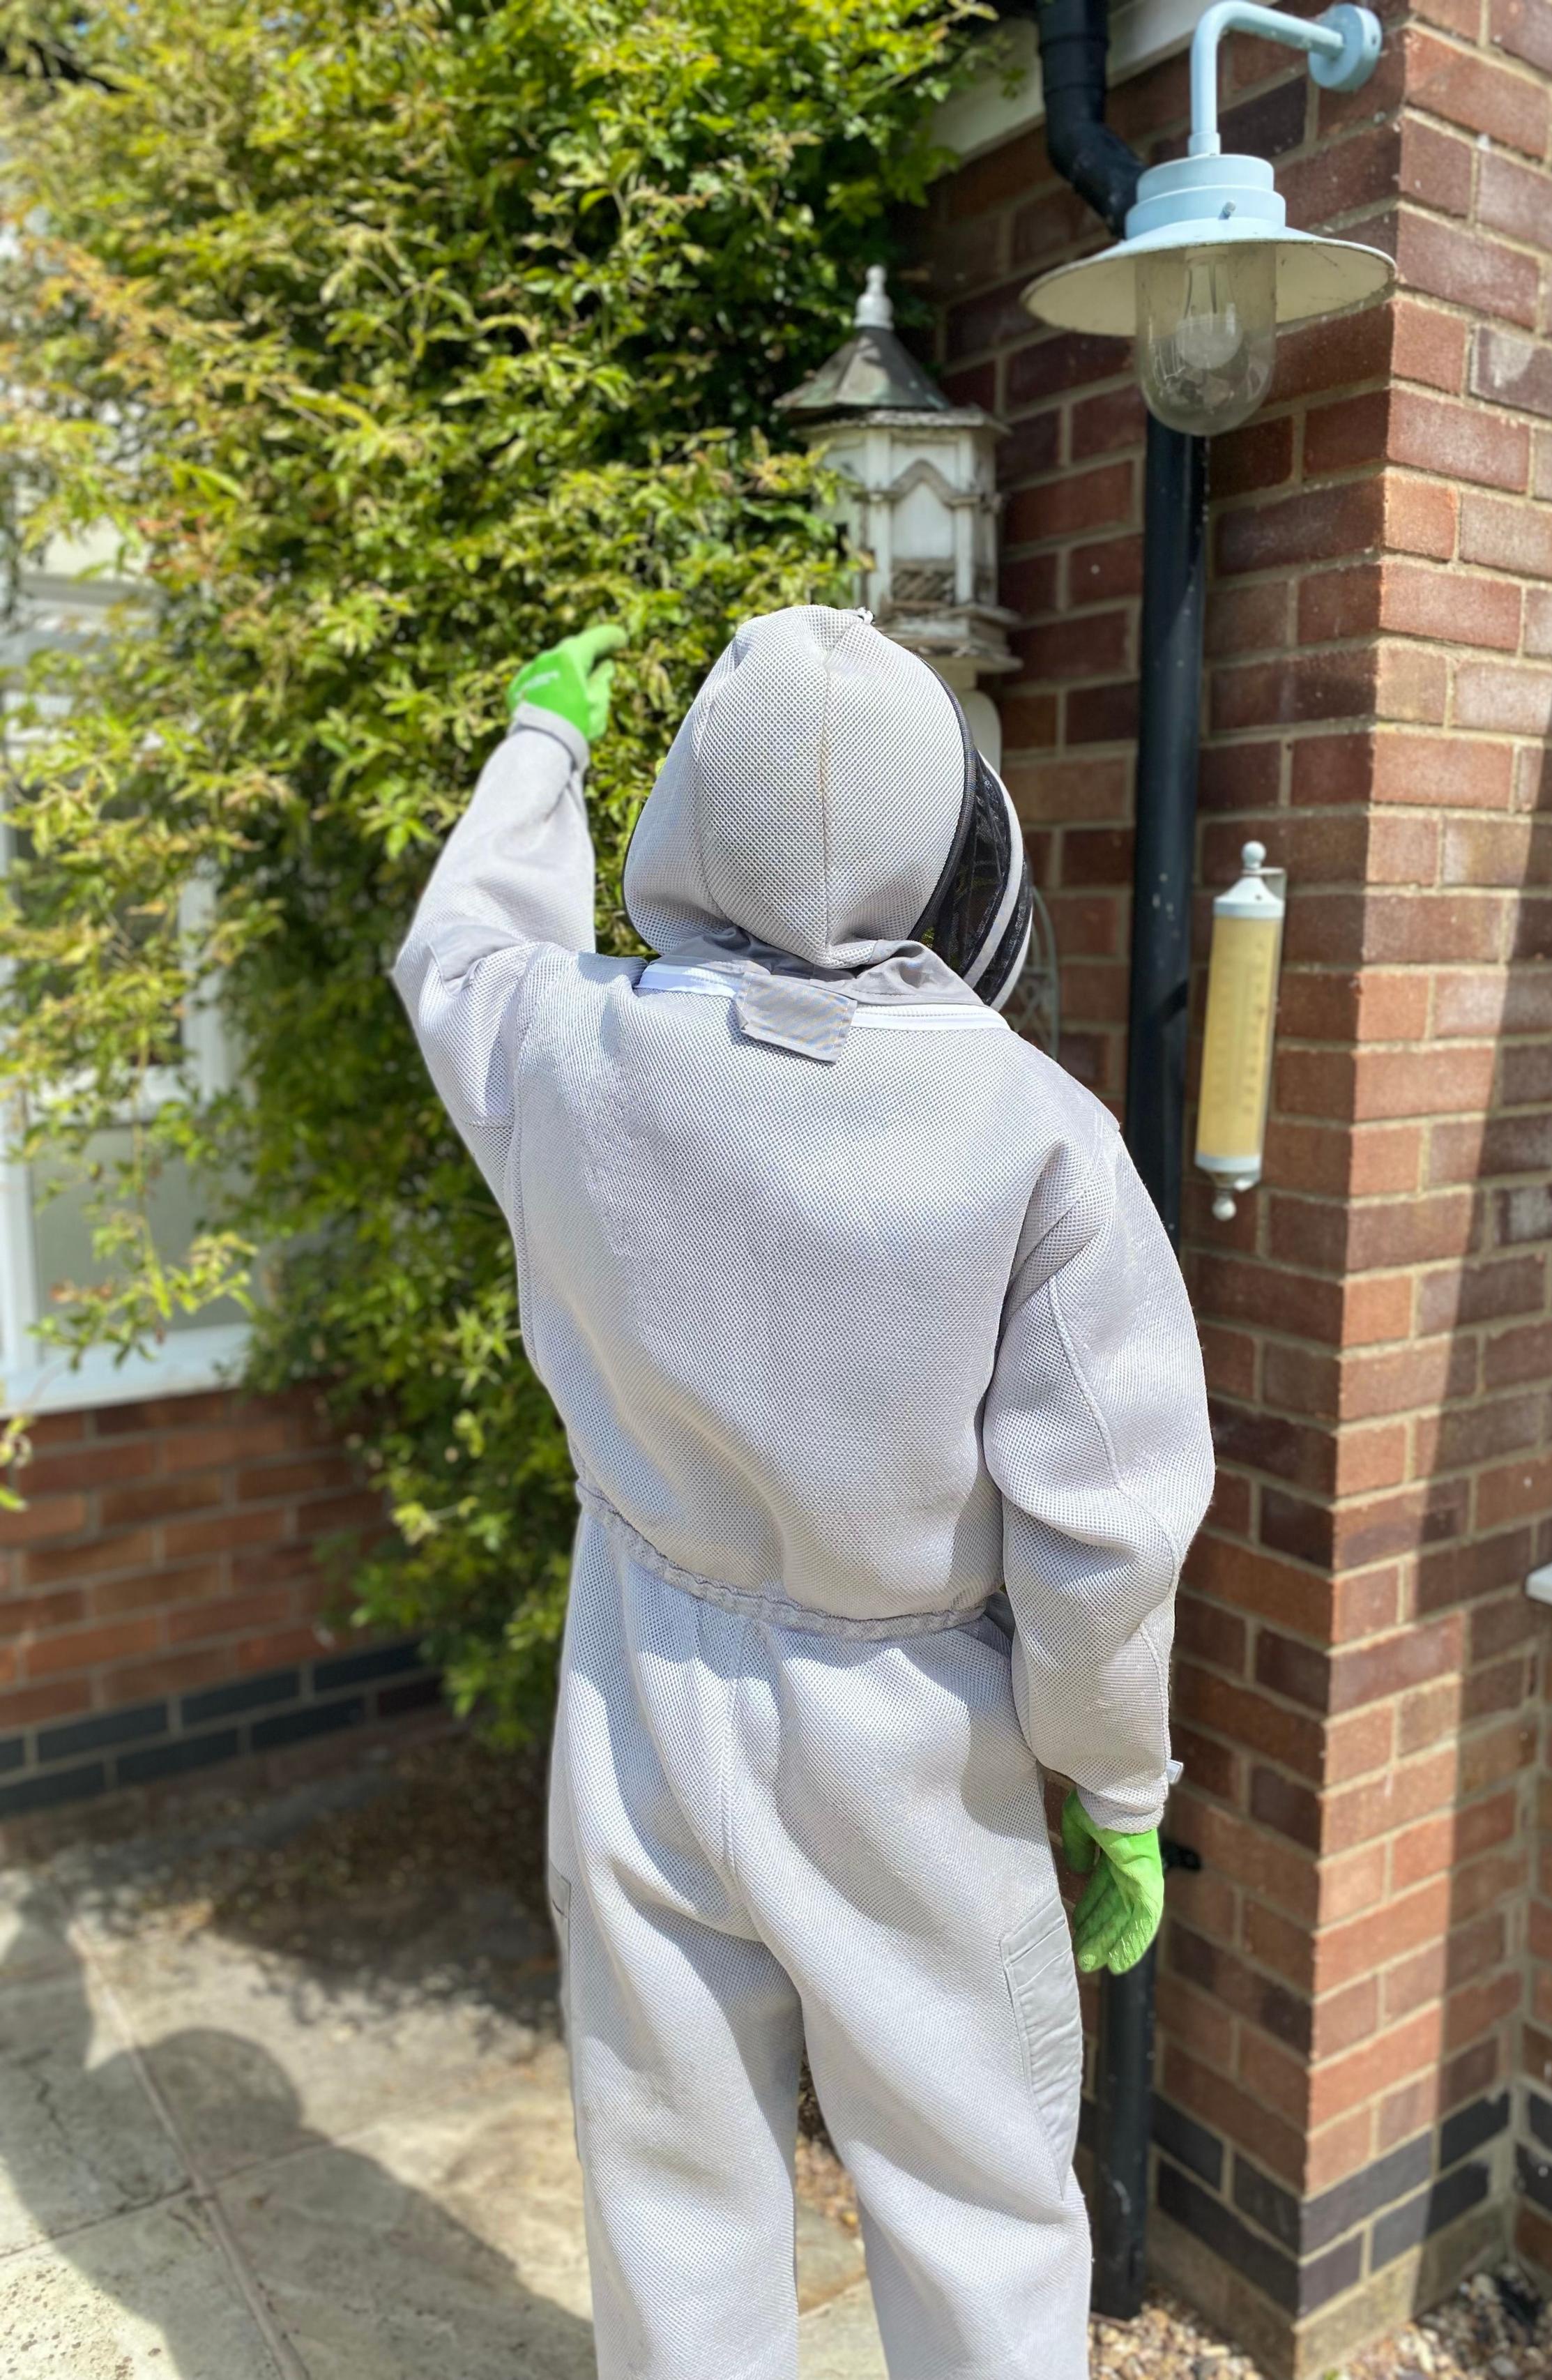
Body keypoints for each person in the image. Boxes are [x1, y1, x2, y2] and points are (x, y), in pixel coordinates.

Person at [395, 604, 1214, 2380]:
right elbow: (1109, 1524)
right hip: (918, 1741)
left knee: (671, 2173)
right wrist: (1118, 1780)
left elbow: (453, 953)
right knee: (978, 2191)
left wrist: (539, 750)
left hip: (637, 1679)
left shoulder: (569, 1049)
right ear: (940, 835)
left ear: (689, 808)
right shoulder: (1033, 1134)